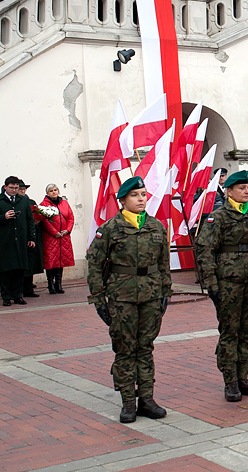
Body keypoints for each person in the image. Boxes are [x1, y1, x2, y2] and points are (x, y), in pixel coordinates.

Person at [86, 176, 171, 423]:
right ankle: (127, 402)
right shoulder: (110, 228)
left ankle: (146, 399)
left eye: (143, 194)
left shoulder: (156, 227)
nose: (141, 199)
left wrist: (166, 291)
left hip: (151, 295)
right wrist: (98, 299)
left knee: (145, 347)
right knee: (125, 349)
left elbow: (163, 263)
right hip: (121, 297)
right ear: (122, 200)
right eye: (135, 195)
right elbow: (94, 264)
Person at [194, 171, 248, 402]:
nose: (247, 191)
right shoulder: (219, 216)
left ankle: (243, 377)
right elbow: (204, 250)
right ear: (229, 191)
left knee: (247, 332)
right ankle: (230, 381)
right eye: (242, 188)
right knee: (230, 332)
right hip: (228, 282)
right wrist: (211, 284)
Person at [0, 176, 36, 306]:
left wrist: (32, 237)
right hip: (4, 241)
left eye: (16, 188)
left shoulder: (24, 201)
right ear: (5, 187)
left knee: (19, 270)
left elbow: (30, 220)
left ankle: (18, 295)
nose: (14, 190)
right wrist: (4, 217)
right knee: (6, 270)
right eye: (12, 188)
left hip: (20, 239)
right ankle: (6, 297)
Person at [37, 183, 75, 293]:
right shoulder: (43, 204)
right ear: (47, 193)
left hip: (64, 237)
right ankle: (50, 283)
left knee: (61, 261)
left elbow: (71, 218)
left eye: (55, 190)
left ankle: (59, 283)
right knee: (51, 262)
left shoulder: (64, 203)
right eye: (51, 191)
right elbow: (45, 221)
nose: (54, 192)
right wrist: (55, 232)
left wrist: (67, 230)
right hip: (50, 238)